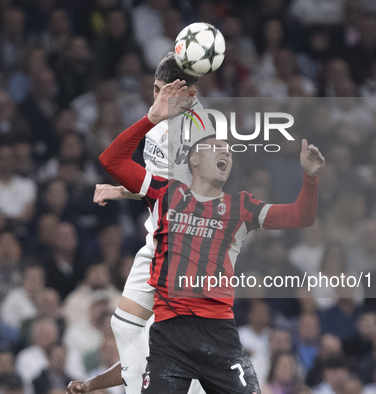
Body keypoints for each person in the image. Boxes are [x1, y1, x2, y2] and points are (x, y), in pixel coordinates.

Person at [96, 79, 324, 393]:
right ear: (192, 159)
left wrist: (310, 177)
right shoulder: (165, 193)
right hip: (169, 336)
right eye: (216, 147)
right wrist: (152, 117)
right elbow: (112, 160)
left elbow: (301, 216)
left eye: (229, 152)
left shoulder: (241, 208)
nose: (225, 153)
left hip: (218, 335)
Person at [71, 52, 215, 394]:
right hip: (159, 241)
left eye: (171, 94)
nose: (161, 100)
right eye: (158, 91)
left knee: (160, 341)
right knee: (124, 327)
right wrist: (126, 191)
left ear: (191, 95)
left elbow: (113, 159)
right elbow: (160, 183)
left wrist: (151, 117)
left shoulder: (197, 136)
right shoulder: (162, 125)